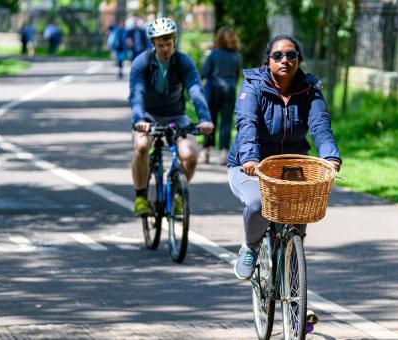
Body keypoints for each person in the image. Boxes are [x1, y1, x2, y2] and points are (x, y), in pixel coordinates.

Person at [227, 35, 342, 280]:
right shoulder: (253, 86)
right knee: (259, 205)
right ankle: (251, 246)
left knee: (299, 214)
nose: (285, 60)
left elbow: (320, 125)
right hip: (252, 165)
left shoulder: (310, 89)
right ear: (267, 60)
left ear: (299, 59)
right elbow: (246, 123)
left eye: (291, 55)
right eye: (277, 55)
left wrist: (331, 157)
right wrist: (249, 158)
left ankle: (294, 287)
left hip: (291, 164)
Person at [129, 17, 214, 217]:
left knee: (191, 155)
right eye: (160, 45)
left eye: (169, 44)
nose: (165, 49)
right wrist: (139, 120)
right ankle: (141, 196)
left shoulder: (183, 61)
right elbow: (137, 94)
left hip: (176, 116)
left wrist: (205, 118)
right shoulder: (141, 63)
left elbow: (195, 91)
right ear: (153, 45)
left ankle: (177, 194)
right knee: (141, 147)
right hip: (148, 117)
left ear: (174, 41)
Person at [200, 27, 243, 165]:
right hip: (229, 90)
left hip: (214, 89)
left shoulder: (214, 54)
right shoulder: (237, 56)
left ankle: (206, 150)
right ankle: (224, 153)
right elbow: (237, 76)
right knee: (226, 122)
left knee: (210, 120)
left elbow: (205, 72)